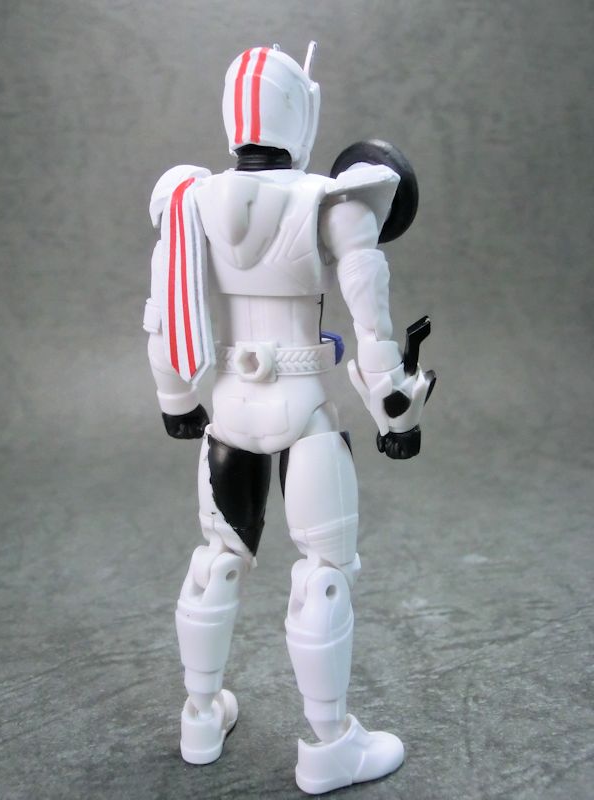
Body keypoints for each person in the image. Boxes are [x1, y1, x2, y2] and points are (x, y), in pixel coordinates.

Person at [143, 43, 434, 795]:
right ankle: (330, 745)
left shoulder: (191, 197)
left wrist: (176, 399)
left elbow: (165, 314)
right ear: (298, 111)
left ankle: (200, 717)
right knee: (325, 573)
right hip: (303, 407)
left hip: (230, 407)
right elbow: (373, 329)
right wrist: (395, 411)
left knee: (217, 558)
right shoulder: (334, 201)